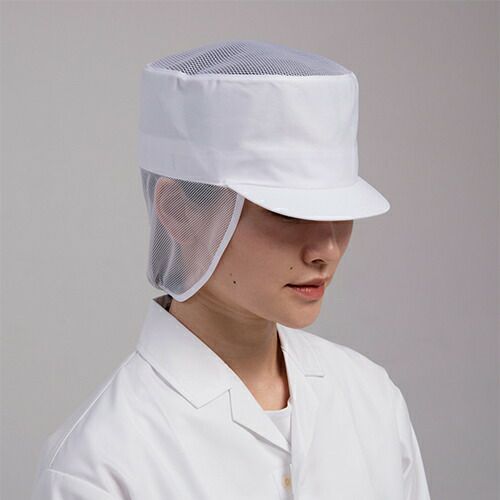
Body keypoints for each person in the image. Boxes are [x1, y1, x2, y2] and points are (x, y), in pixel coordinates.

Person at [31, 40, 432, 499]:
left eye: (339, 211)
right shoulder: (98, 466)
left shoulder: (372, 400)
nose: (327, 248)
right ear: (179, 211)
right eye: (289, 212)